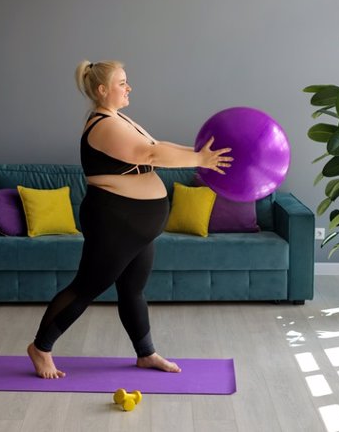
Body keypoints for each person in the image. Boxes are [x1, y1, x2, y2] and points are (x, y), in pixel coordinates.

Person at [27, 60, 233, 379]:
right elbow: (149, 155)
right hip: (115, 220)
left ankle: (146, 354)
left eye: (127, 81)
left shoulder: (118, 118)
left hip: (135, 226)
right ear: (102, 90)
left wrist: (198, 154)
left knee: (132, 290)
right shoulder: (104, 125)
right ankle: (41, 348)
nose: (128, 87)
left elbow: (157, 147)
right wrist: (198, 160)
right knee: (87, 286)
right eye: (122, 82)